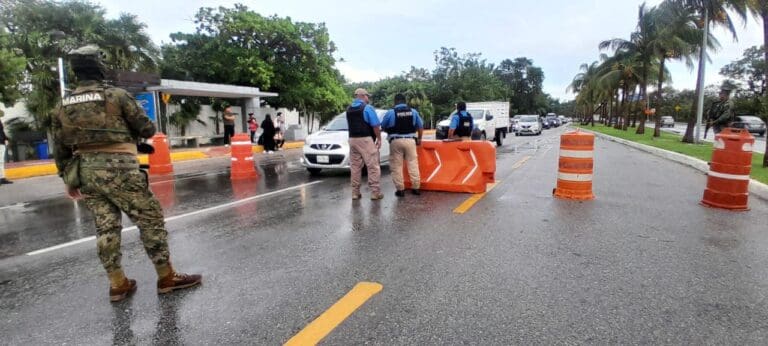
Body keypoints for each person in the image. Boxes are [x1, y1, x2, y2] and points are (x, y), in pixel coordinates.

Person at [51, 45, 201, 303]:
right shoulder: (116, 96)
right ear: (99, 67)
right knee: (149, 219)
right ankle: (166, 277)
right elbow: (146, 128)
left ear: (76, 71)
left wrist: (68, 178)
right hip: (120, 167)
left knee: (106, 227)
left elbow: (60, 147)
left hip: (86, 171)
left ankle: (118, 284)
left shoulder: (62, 106)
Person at [382, 93, 424, 197]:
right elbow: (420, 126)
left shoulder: (390, 112)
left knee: (396, 166)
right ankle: (416, 188)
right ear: (405, 102)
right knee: (413, 164)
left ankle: (400, 190)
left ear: (395, 102)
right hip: (410, 141)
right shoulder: (413, 112)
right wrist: (419, 138)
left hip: (395, 141)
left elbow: (383, 126)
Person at [347, 88, 383, 200]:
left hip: (352, 140)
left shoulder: (349, 109)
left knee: (355, 167)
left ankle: (355, 193)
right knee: (373, 166)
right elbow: (376, 125)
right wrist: (379, 138)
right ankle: (375, 192)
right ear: (362, 96)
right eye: (367, 96)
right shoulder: (367, 108)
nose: (368, 98)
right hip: (366, 140)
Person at [0, 110, 11, 185]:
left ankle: (2, 178)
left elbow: (1, 131)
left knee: (1, 161)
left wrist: (6, 139)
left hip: (1, 142)